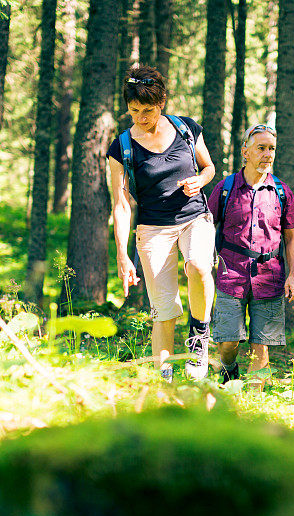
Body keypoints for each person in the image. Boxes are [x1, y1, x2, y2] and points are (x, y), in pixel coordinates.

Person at [107, 66, 216, 382]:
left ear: (162, 102)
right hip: (153, 229)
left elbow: (209, 168)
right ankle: (163, 380)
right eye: (134, 110)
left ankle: (198, 339)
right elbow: (121, 202)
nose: (141, 117)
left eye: (148, 110)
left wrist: (200, 179)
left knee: (198, 266)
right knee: (164, 310)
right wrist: (122, 254)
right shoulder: (122, 147)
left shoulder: (186, 129)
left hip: (194, 217)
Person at [208, 124, 294, 390]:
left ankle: (253, 404)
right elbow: (205, 226)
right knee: (228, 343)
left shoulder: (282, 192)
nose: (267, 154)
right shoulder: (225, 188)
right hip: (231, 274)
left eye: (271, 149)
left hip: (270, 276)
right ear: (245, 152)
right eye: (261, 148)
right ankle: (229, 371)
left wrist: (293, 275)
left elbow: (292, 238)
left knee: (261, 344)